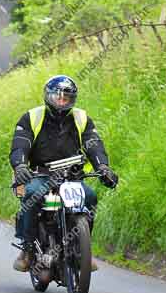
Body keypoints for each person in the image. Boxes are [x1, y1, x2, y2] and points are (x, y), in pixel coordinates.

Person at [9, 75, 118, 273]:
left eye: (66, 98)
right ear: (48, 96)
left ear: (72, 99)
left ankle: (83, 249)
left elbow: (94, 144)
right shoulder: (32, 117)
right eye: (57, 97)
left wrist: (103, 167)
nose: (61, 101)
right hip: (40, 174)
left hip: (72, 176)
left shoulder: (81, 118)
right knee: (32, 194)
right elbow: (20, 144)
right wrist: (21, 166)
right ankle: (27, 249)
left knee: (90, 196)